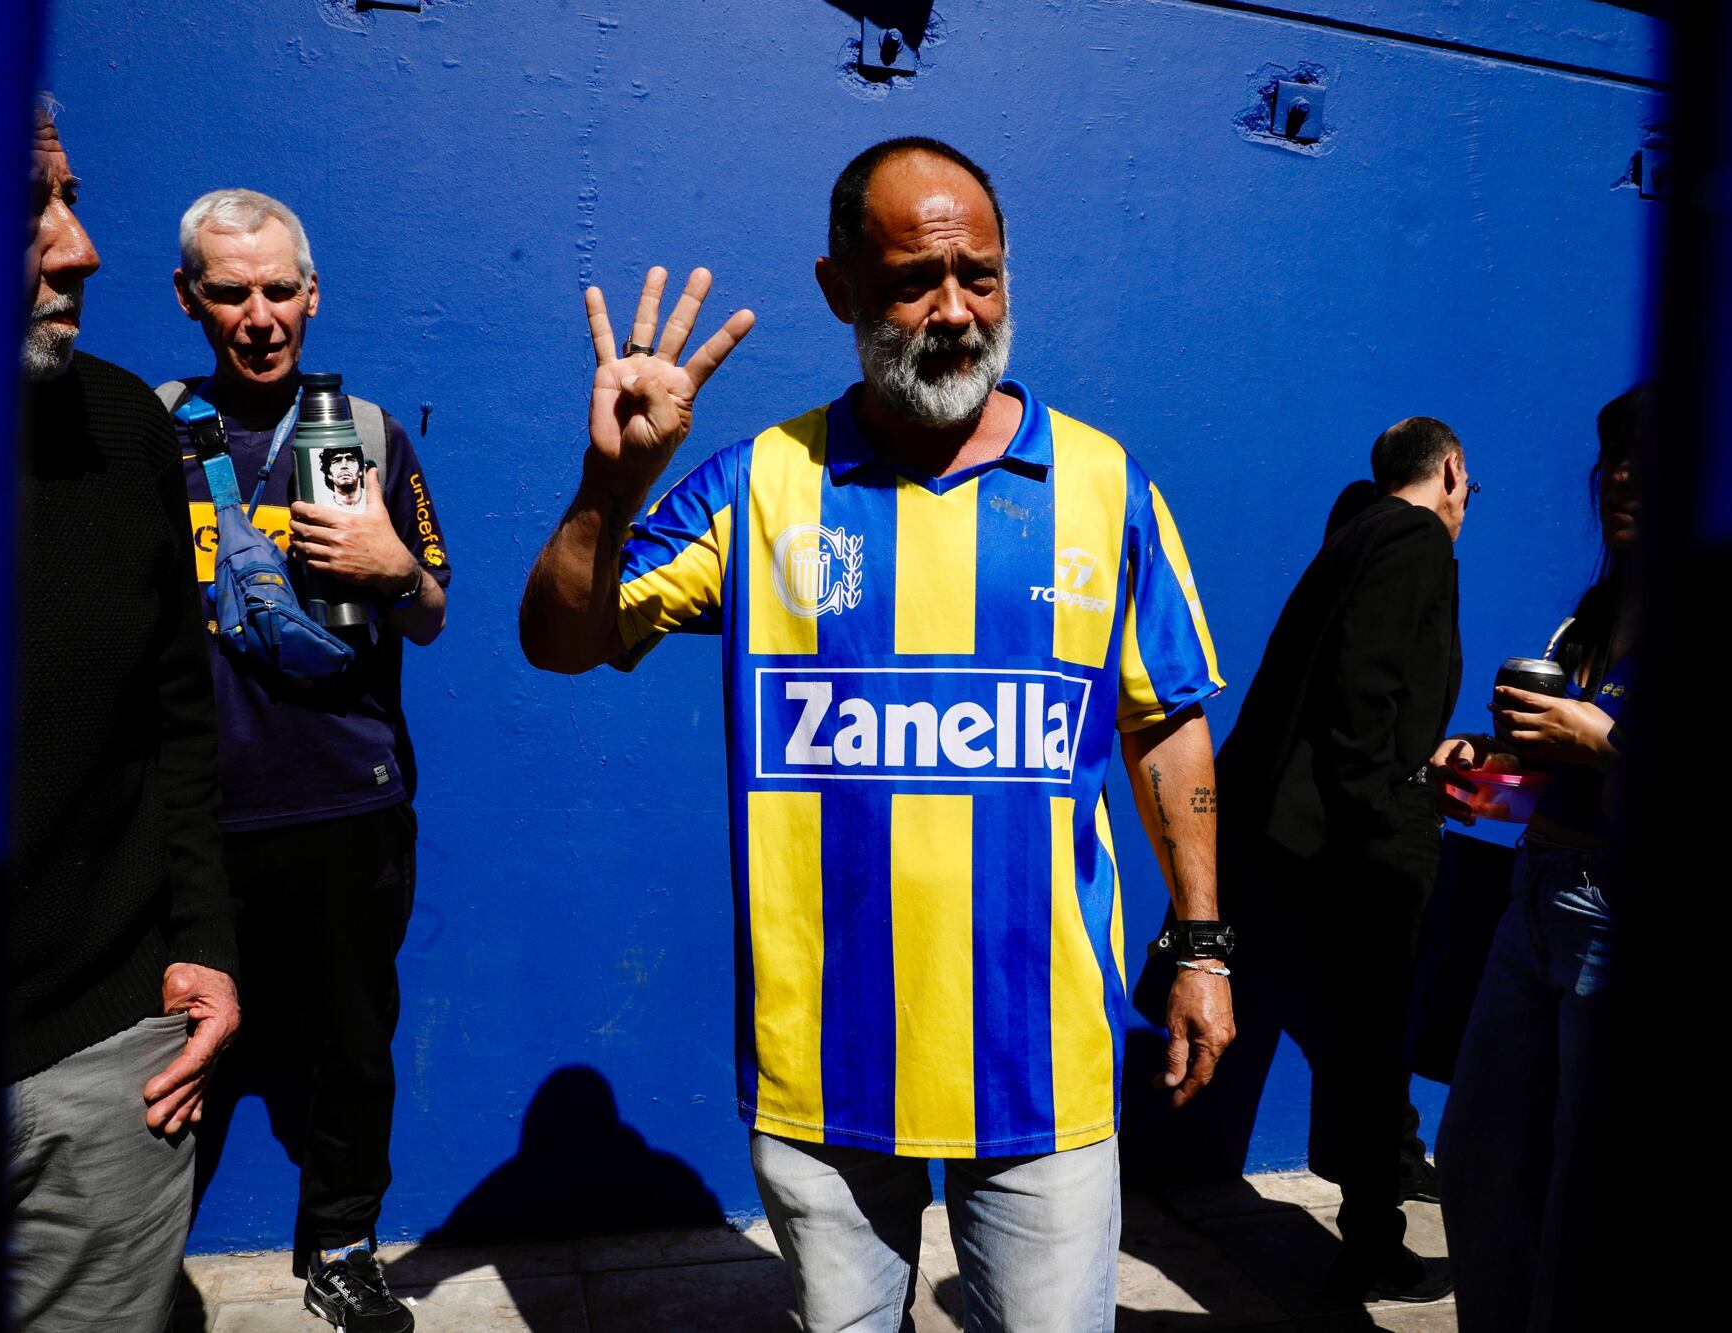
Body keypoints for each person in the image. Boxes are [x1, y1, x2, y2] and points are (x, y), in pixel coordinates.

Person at [520, 136, 1233, 1333]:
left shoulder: (1104, 484)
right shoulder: (759, 484)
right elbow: (560, 639)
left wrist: (1202, 943)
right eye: (912, 282)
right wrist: (611, 485)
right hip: (824, 1066)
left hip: (1042, 1066)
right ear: (838, 288)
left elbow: (1163, 725)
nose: (954, 312)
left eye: (979, 277)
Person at [165, 187, 450, 1333]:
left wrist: (395, 570)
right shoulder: (149, 432)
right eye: (230, 293)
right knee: (175, 1056)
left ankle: (342, 1249)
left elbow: (432, 612)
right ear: (189, 299)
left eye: (279, 290)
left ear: (312, 294)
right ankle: (133, 1265)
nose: (259, 316)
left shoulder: (368, 436)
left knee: (351, 1047)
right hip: (191, 812)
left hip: (348, 802)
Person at [9, 103, 241, 1332]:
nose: (78, 247)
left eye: (70, 196)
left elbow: (175, 718)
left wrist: (201, 937)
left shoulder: (125, 426)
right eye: (24, 208)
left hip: (103, 1064)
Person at [1212, 417, 1472, 1302]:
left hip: (1302, 832)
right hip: (1362, 831)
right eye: (1467, 488)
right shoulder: (1415, 538)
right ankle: (1373, 1243)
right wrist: (1384, 814)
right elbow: (1363, 695)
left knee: (1357, 1029)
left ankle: (1391, 1165)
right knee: (1375, 1031)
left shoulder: (1358, 535)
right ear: (1450, 471)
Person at [1433, 386, 1645, 1331]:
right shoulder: (1594, 614)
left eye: (1652, 457)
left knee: (1580, 1187)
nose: (1625, 477)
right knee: (1479, 1156)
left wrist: (1600, 739)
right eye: (1615, 458)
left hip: (1615, 914)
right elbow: (1542, 781)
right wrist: (1485, 770)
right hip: (1533, 901)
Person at [321, 445, 370, 510]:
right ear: (329, 474)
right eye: (337, 461)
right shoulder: (322, 507)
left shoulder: (372, 500)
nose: (344, 466)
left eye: (350, 460)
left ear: (361, 470)